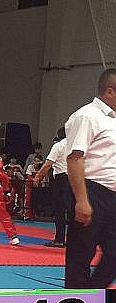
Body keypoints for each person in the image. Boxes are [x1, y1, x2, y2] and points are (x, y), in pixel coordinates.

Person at [63, 68, 116, 288]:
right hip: (91, 190)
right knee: (81, 256)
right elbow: (75, 158)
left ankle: (93, 294)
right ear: (110, 91)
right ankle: (77, 300)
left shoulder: (113, 121)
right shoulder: (87, 115)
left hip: (112, 195)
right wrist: (82, 200)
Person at [33, 126, 70, 247]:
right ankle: (75, 240)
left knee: (59, 209)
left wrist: (38, 177)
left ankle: (60, 239)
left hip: (61, 178)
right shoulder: (75, 145)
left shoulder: (58, 146)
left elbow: (48, 164)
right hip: (75, 178)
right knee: (73, 210)